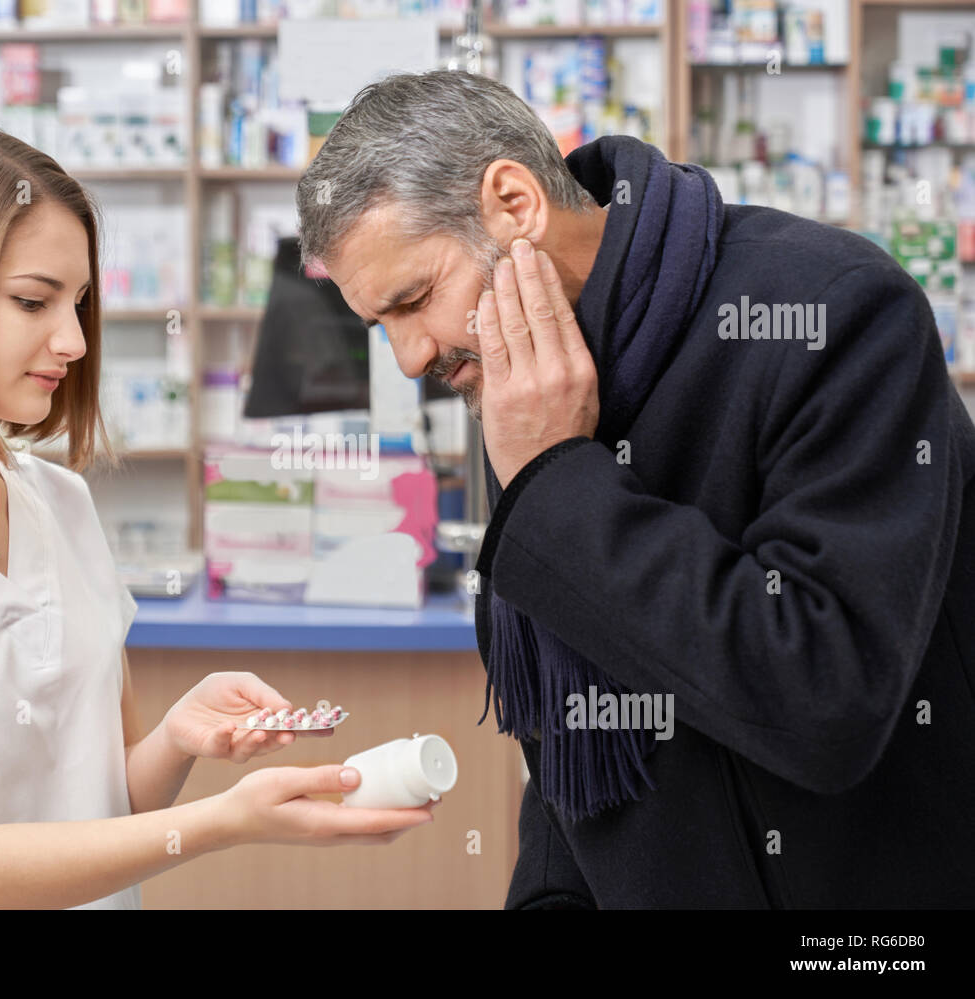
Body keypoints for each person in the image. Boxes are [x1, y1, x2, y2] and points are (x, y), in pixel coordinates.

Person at [295, 69, 975, 907]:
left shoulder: (834, 311)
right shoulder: (519, 379)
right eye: (379, 325)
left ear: (513, 203)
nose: (408, 357)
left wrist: (558, 483)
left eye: (414, 300)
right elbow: (566, 738)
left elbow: (823, 700)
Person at [0, 127, 433, 910]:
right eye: (33, 301)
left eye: (81, 303)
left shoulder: (59, 503)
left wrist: (175, 739)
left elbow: (105, 807)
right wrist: (226, 821)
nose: (73, 340)